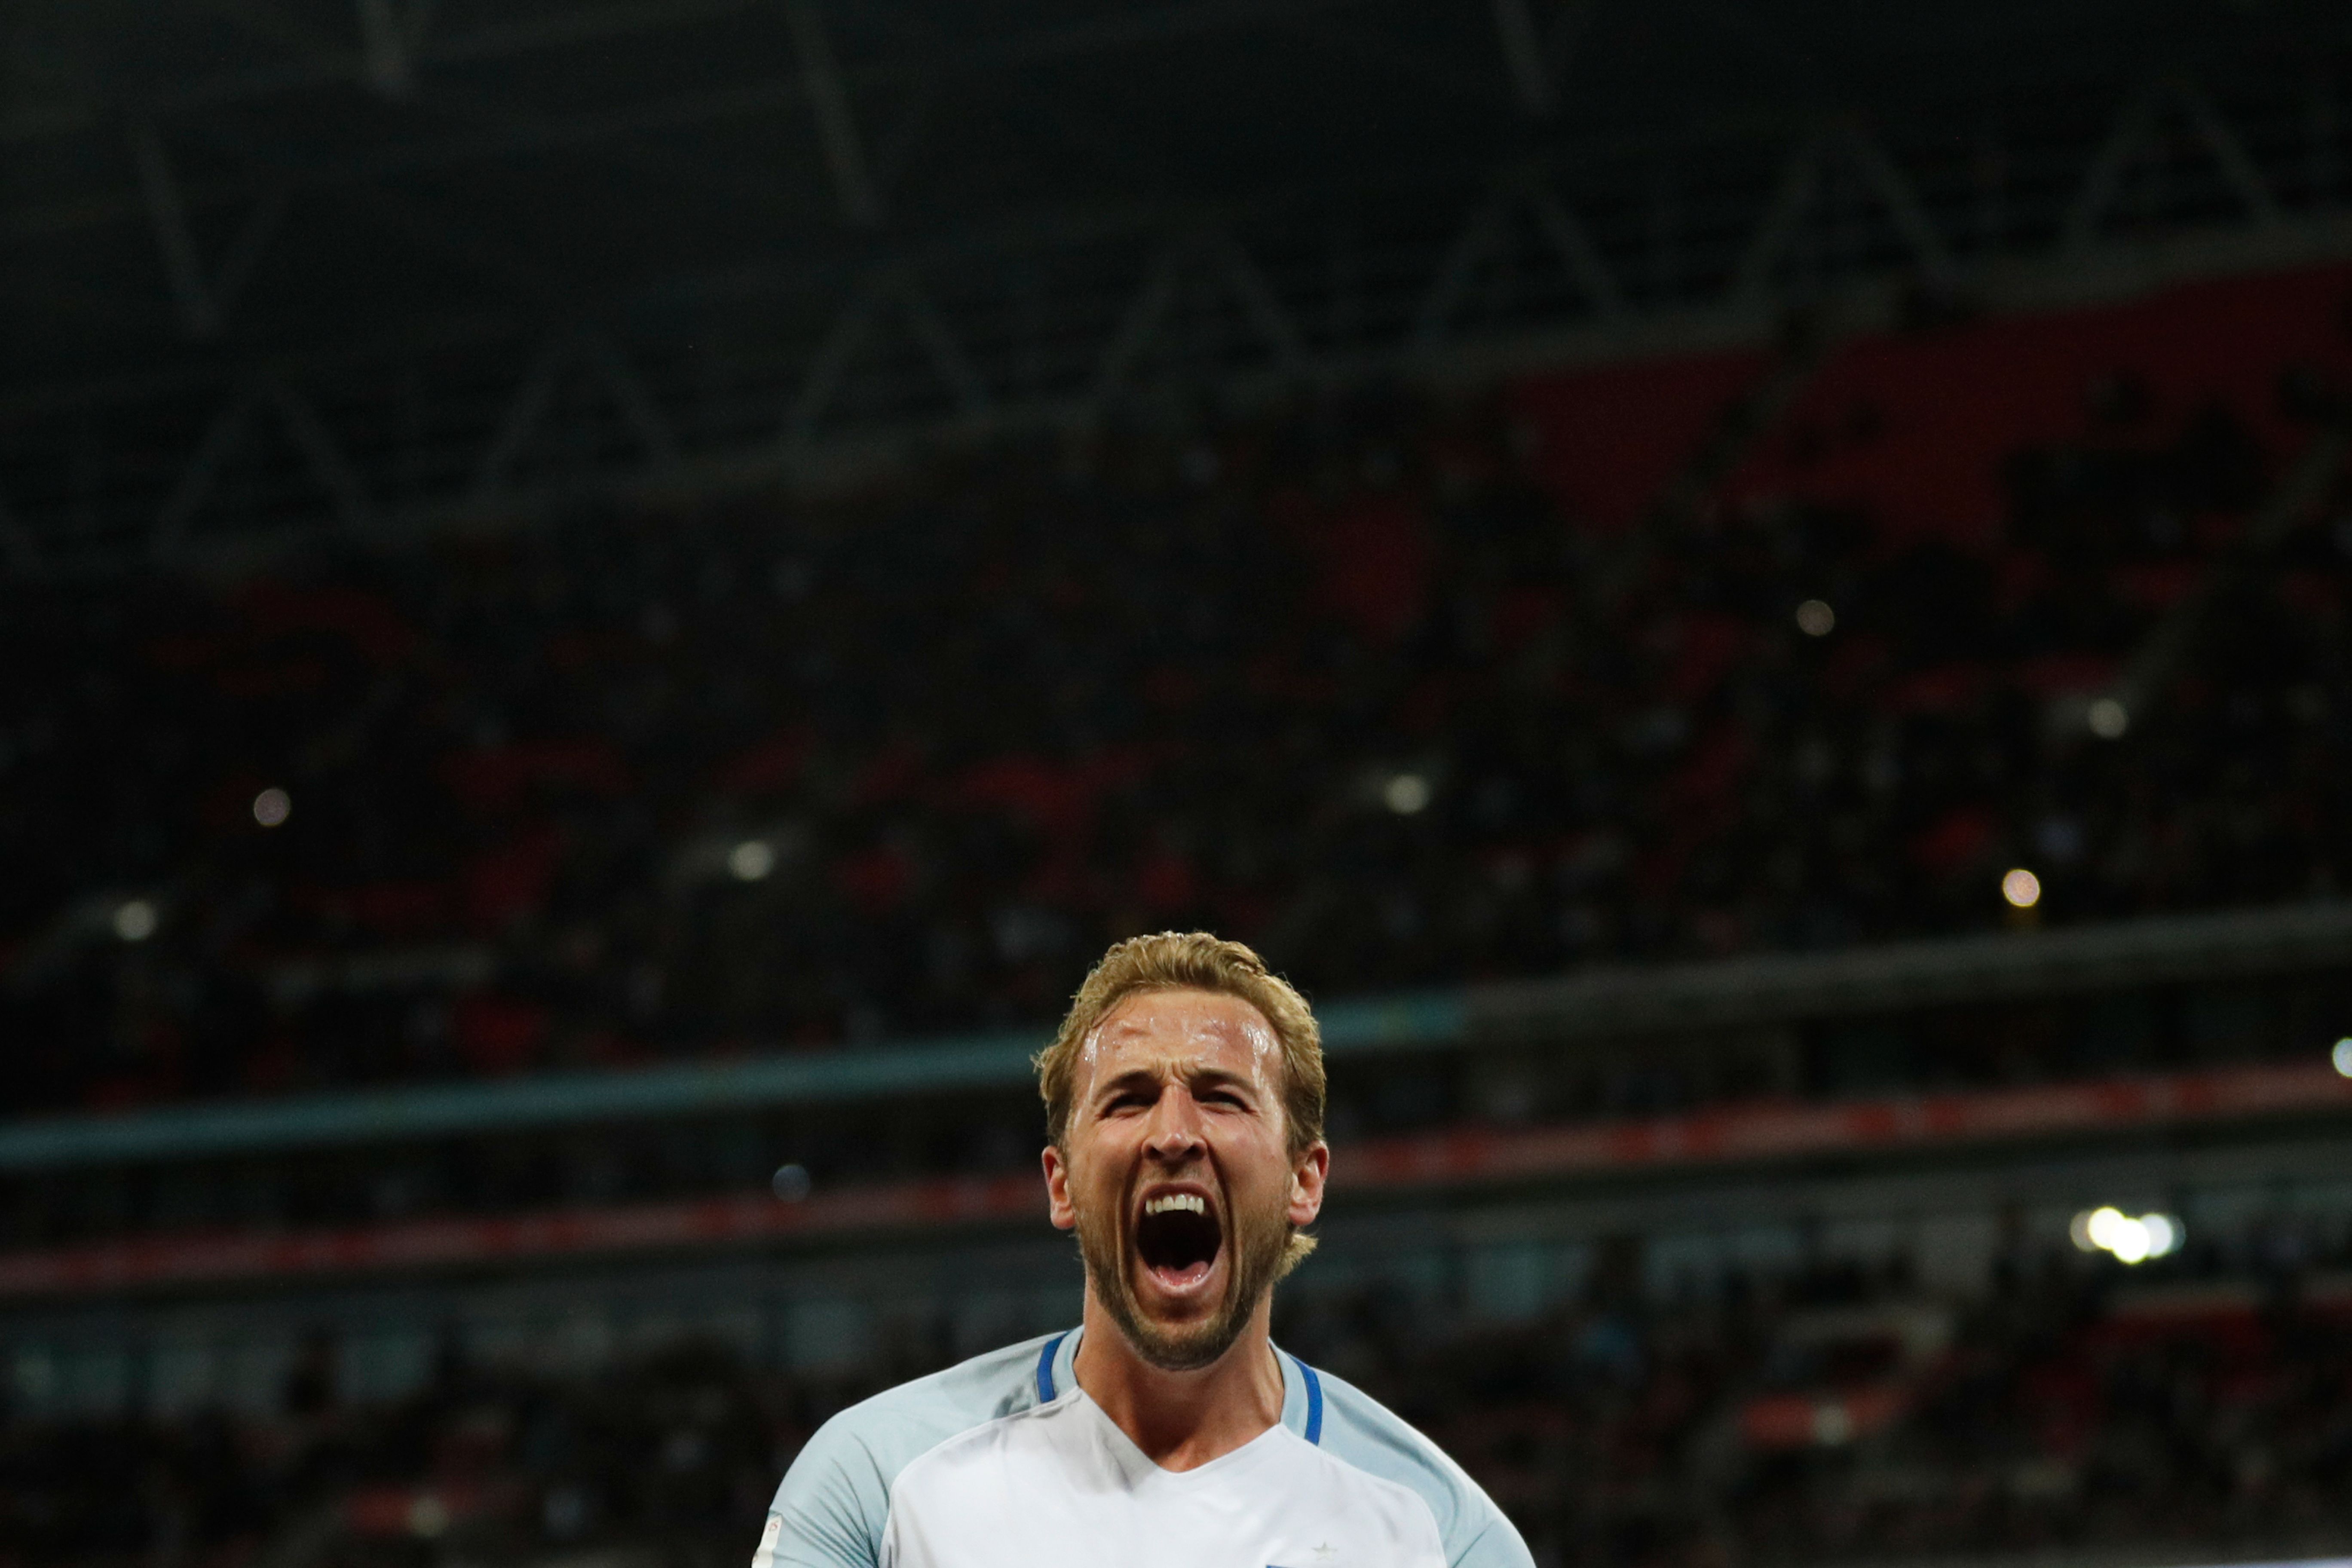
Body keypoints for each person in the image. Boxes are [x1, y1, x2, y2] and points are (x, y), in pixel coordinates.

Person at [755, 932, 1534, 1568]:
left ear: (1305, 1179)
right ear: (1061, 1186)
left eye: (1222, 1096)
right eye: (1129, 1100)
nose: (1172, 1134)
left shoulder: (1441, 1534)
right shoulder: (876, 1480)